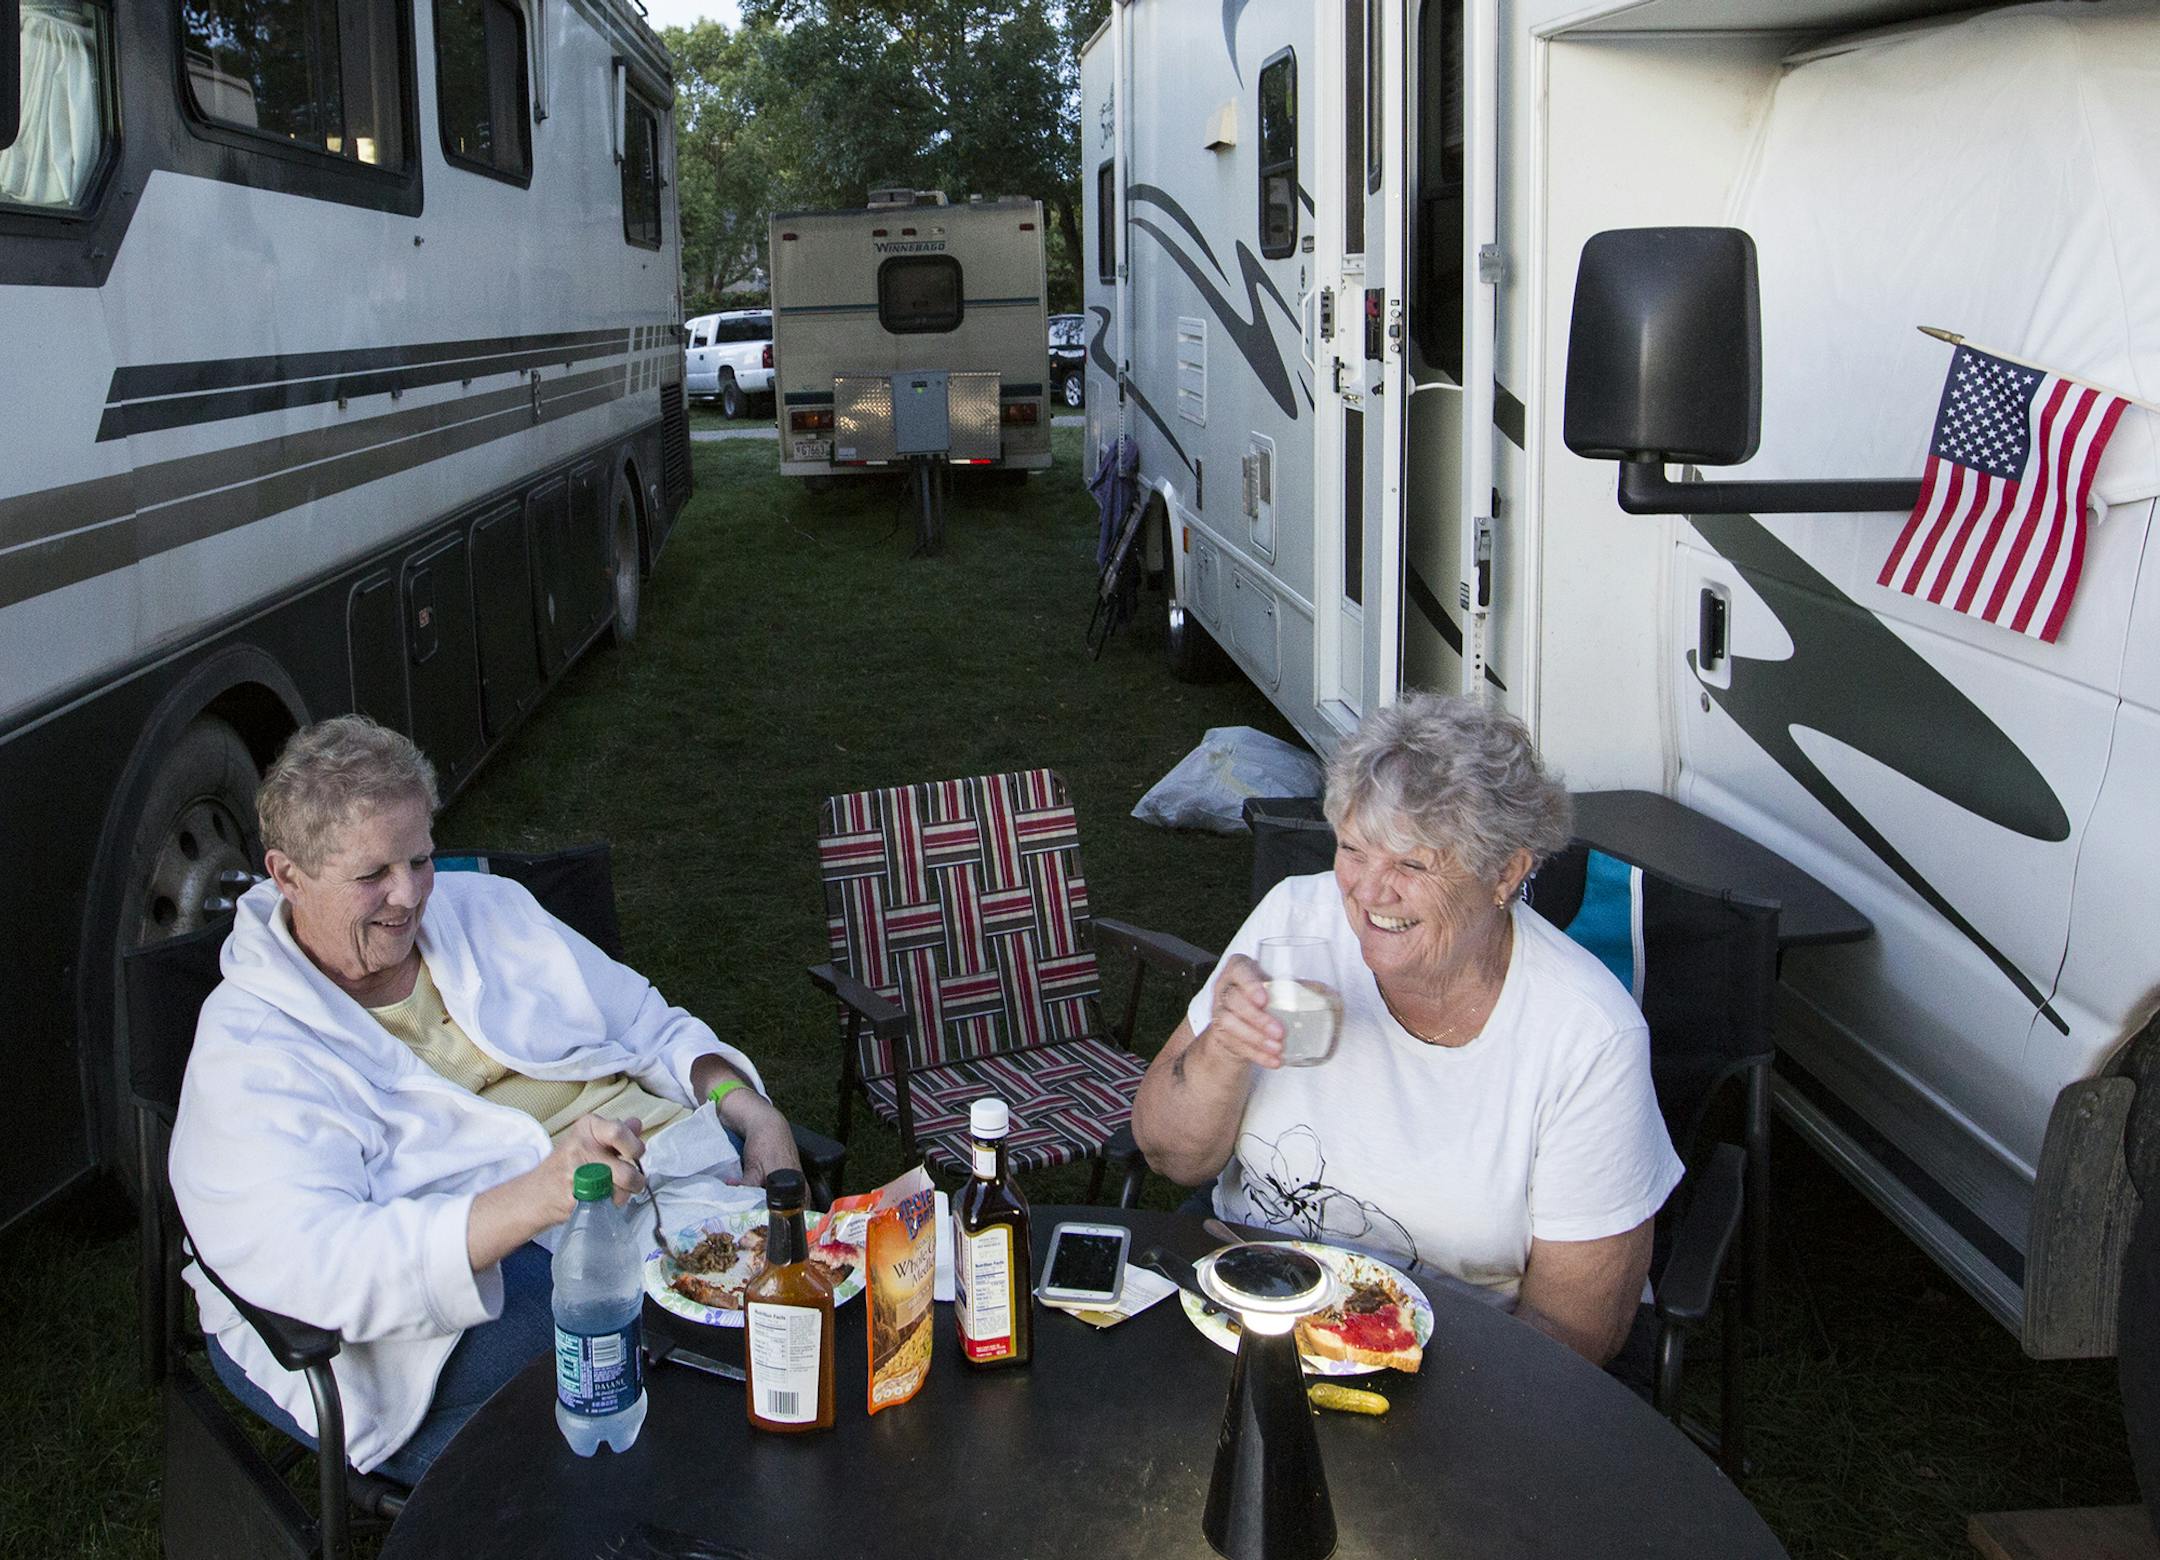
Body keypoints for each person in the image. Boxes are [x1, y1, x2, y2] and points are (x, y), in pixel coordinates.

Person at [170, 715, 802, 1479]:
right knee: (637, 1374)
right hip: (486, 1272)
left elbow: (649, 1024)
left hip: (677, 1178)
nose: (409, 897)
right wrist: (536, 1198)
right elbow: (321, 1261)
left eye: (421, 858)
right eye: (373, 875)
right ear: (287, 874)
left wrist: (748, 1108)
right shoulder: (253, 1047)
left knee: (811, 1312)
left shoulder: (488, 910)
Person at [1131, 692, 1682, 1366]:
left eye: (1412, 865)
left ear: (1506, 871)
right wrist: (1222, 1049)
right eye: (1354, 850)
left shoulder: (1585, 1036)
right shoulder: (1295, 923)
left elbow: (1573, 1337)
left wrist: (1377, 1366)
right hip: (1245, 1310)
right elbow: (1168, 1155)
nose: (1368, 892)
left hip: (1453, 1367)